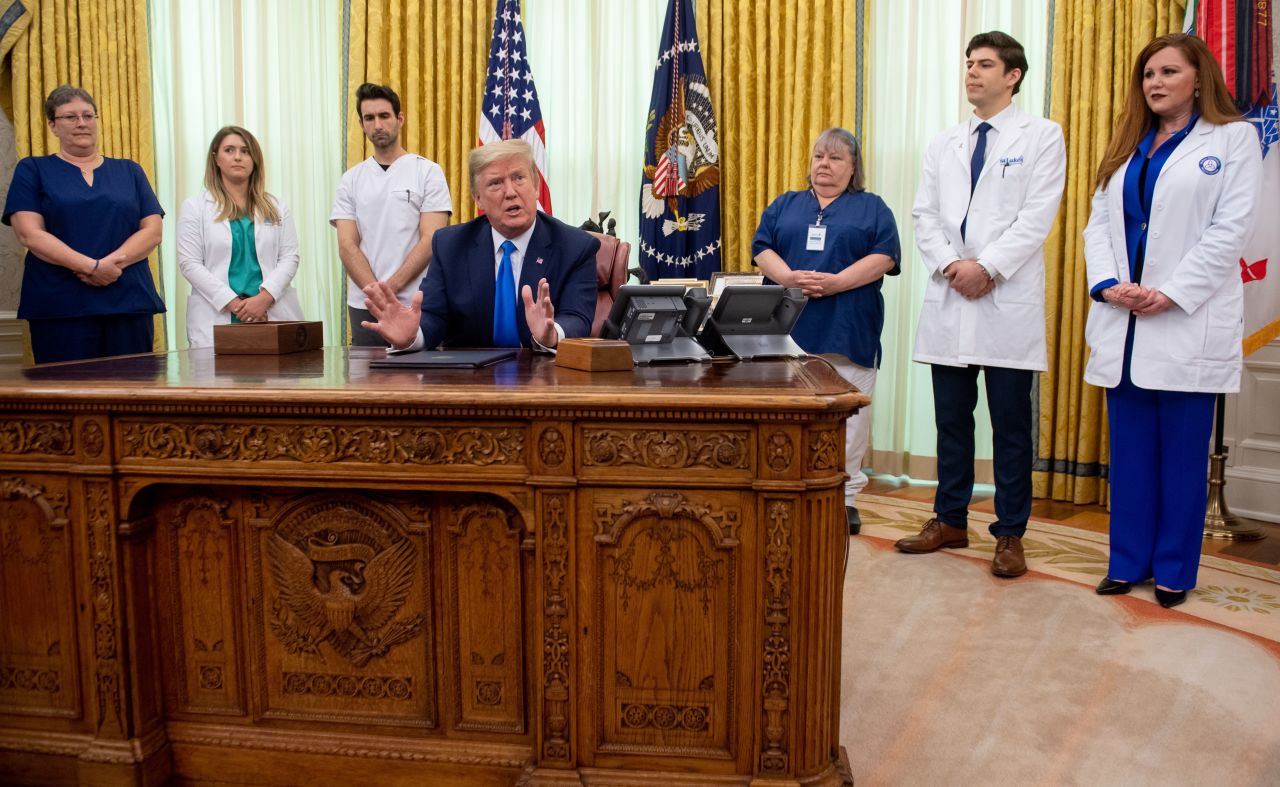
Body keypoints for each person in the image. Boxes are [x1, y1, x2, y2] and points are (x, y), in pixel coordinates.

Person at [1083, 34, 1261, 608]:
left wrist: (1171, 292)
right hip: (1124, 322)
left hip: (1185, 322)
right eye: (1148, 74)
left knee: (1181, 463)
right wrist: (1109, 284)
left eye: (1168, 72)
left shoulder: (1235, 139)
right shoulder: (1127, 145)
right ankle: (1127, 561)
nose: (1154, 83)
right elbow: (1098, 228)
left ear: (1199, 78)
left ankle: (1173, 573)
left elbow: (1230, 231)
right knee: (1131, 459)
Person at [901, 31, 1066, 577]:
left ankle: (1009, 533)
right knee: (951, 420)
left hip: (1005, 298)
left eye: (985, 64)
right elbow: (924, 214)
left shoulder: (1042, 135)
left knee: (1010, 426)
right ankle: (948, 518)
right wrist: (953, 266)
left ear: (1012, 75)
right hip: (952, 295)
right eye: (969, 63)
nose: (972, 72)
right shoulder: (944, 142)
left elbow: (1036, 217)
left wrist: (987, 267)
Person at [752, 128, 901, 535]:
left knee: (849, 416)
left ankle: (847, 497)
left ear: (853, 168)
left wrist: (836, 283)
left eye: (836, 159)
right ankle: (785, 488)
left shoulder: (872, 208)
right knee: (786, 413)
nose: (825, 165)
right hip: (787, 328)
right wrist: (787, 278)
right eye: (819, 156)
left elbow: (885, 256)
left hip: (848, 325)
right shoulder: (786, 204)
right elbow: (761, 247)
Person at [361, 139, 597, 351]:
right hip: (469, 382)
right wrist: (413, 336)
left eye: (519, 178)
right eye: (495, 183)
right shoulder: (450, 245)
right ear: (478, 198)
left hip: (544, 379)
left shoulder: (576, 247)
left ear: (536, 186)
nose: (510, 192)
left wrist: (551, 333)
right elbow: (434, 316)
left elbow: (578, 318)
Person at [2, 85, 165, 364]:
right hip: (61, 304)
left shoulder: (130, 170)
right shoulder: (33, 169)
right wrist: (90, 267)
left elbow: (152, 231)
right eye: (70, 117)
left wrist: (109, 266)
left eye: (88, 115)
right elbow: (29, 234)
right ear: (52, 125)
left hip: (127, 301)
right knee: (67, 395)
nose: (81, 123)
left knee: (133, 393)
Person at [331, 82, 452, 345]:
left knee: (419, 383)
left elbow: (432, 238)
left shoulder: (427, 172)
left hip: (417, 302)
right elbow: (346, 244)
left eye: (384, 116)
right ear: (362, 125)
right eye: (369, 118)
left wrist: (392, 289)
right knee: (366, 382)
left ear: (399, 119)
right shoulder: (350, 180)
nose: (377, 125)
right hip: (365, 304)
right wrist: (377, 295)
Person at [176, 126, 303, 348]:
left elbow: (290, 257)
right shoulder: (195, 207)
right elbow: (190, 264)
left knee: (277, 380)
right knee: (220, 381)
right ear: (216, 158)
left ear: (254, 159)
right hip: (217, 314)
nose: (237, 157)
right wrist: (237, 306)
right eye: (229, 150)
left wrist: (264, 299)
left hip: (270, 312)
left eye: (245, 151)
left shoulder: (276, 206)